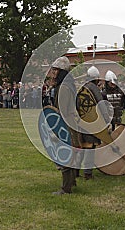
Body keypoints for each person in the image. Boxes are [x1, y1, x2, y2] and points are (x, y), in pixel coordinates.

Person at [50, 56, 80, 195]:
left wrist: (57, 127)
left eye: (56, 70)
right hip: (72, 122)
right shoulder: (69, 85)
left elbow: (62, 109)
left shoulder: (64, 87)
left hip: (66, 123)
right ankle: (71, 181)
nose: (53, 73)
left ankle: (66, 188)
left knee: (65, 154)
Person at [77, 66, 110, 180]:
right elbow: (101, 104)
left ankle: (75, 171)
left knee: (81, 146)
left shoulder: (80, 88)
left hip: (80, 122)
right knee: (90, 147)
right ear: (96, 79)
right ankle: (87, 173)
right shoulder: (93, 88)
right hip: (92, 121)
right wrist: (106, 119)